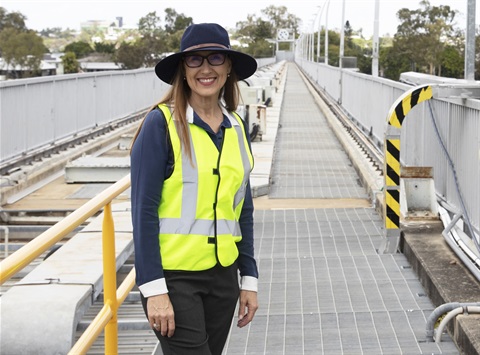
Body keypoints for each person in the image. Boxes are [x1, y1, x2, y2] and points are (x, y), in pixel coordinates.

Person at [130, 23, 259, 355]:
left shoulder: (236, 126)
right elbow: (142, 213)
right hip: (174, 279)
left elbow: (241, 209)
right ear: (182, 70)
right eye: (194, 60)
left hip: (223, 278)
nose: (205, 68)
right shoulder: (161, 124)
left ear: (229, 67)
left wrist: (249, 278)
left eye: (215, 58)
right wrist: (153, 288)